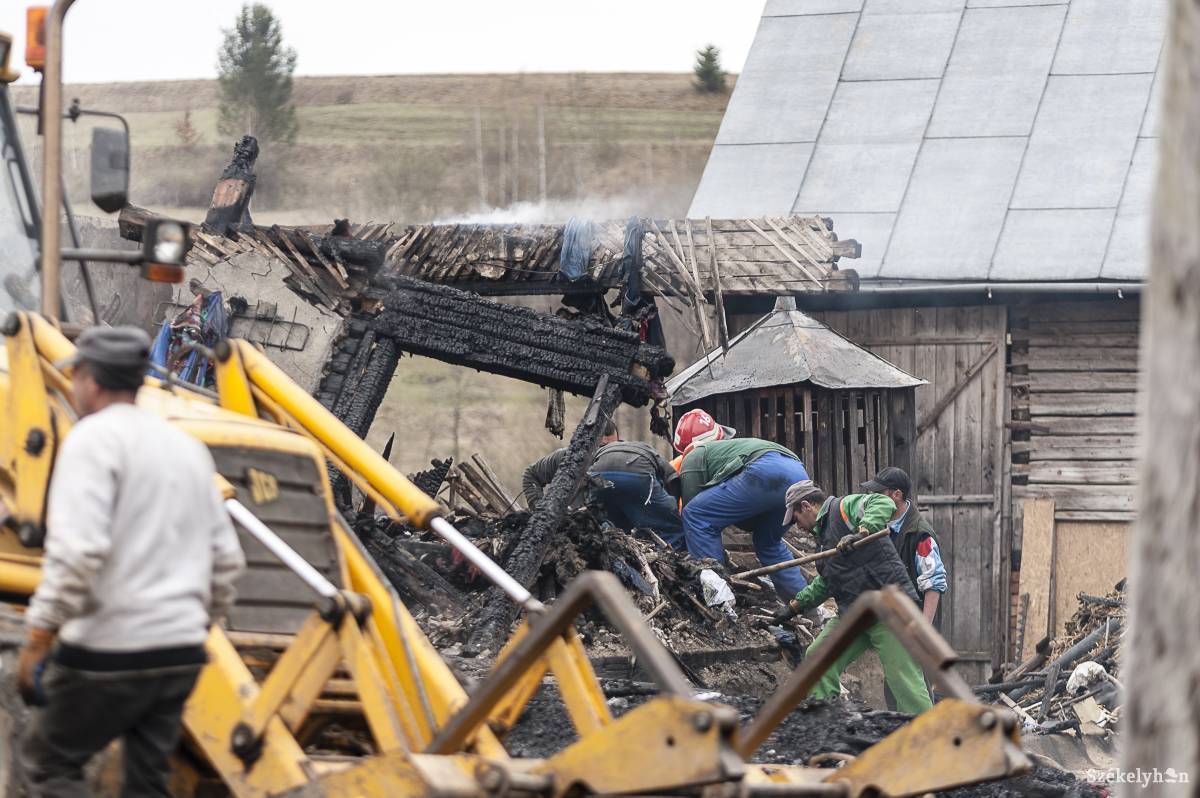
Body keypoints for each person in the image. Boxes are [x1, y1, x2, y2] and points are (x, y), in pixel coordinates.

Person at [18, 326, 247, 797]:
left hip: (109, 650)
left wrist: (39, 637)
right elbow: (227, 558)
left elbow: (78, 552)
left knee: (50, 767)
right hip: (179, 653)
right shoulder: (186, 448)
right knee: (148, 783)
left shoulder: (92, 440)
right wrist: (194, 625)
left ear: (91, 382)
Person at [774, 480, 933, 715]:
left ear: (806, 506)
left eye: (795, 518)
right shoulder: (823, 542)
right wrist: (793, 607)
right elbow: (827, 582)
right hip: (855, 614)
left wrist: (862, 531)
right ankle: (829, 721)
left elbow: (882, 501)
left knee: (903, 680)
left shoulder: (843, 508)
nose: (797, 527)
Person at [675, 409, 809, 599]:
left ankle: (719, 597)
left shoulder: (694, 457)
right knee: (769, 543)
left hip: (763, 470)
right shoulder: (735, 448)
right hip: (798, 473)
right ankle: (804, 605)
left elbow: (695, 517)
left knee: (696, 515)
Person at [861, 467, 947, 625]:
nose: (872, 498)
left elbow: (934, 584)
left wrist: (924, 630)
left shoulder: (920, 535)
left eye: (878, 493)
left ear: (897, 495)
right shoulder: (877, 526)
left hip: (913, 629)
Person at [588, 420, 683, 547]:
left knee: (610, 526)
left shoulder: (596, 452)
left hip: (599, 474)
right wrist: (673, 510)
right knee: (673, 527)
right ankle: (677, 560)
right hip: (639, 473)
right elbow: (672, 478)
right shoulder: (645, 448)